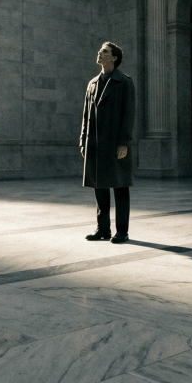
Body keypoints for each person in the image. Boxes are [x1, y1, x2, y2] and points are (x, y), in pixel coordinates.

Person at [80, 41, 135, 243]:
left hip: (115, 143)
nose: (100, 53)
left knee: (120, 186)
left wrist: (124, 143)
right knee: (99, 187)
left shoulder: (125, 82)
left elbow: (129, 115)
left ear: (114, 58)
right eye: (101, 51)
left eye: (104, 51)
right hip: (94, 143)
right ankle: (103, 229)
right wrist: (83, 140)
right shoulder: (92, 83)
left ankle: (122, 231)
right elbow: (86, 115)